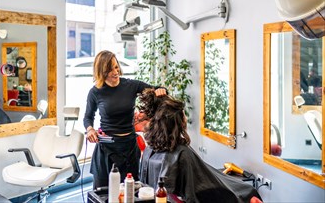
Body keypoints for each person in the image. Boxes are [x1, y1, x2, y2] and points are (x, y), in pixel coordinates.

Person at [136, 88, 262, 203]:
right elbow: (194, 193)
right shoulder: (182, 153)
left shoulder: (151, 149)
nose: (185, 118)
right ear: (176, 122)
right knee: (248, 191)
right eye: (183, 115)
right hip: (224, 190)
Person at [83, 50, 167, 189]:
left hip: (128, 146)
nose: (115, 72)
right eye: (110, 69)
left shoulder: (131, 85)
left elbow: (156, 89)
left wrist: (161, 90)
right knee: (103, 191)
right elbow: (87, 117)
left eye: (116, 67)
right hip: (107, 148)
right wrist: (90, 129)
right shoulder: (95, 92)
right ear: (102, 71)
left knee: (130, 190)